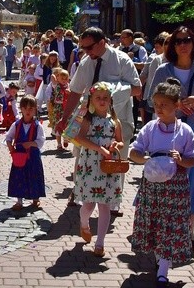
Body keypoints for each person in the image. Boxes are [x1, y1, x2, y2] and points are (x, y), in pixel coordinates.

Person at [56, 27, 141, 218]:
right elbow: (76, 91)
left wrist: (114, 92)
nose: (86, 52)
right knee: (82, 156)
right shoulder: (86, 62)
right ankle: (79, 194)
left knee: (116, 158)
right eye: (83, 48)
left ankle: (113, 203)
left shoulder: (122, 60)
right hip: (89, 120)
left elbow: (137, 89)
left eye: (89, 47)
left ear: (102, 42)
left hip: (117, 120)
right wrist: (64, 118)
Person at [147, 26, 194, 248]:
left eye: (187, 40)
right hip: (168, 129)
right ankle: (166, 228)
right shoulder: (163, 70)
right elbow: (151, 100)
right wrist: (175, 104)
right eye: (177, 41)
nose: (183, 44)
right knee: (168, 176)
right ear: (172, 45)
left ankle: (188, 231)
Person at [130, 78, 194, 288]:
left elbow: (193, 159)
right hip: (153, 185)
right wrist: (145, 158)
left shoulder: (185, 131)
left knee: (169, 225)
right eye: (156, 104)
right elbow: (135, 151)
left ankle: (163, 269)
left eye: (164, 105)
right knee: (155, 222)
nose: (158, 109)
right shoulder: (150, 128)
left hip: (175, 186)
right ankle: (160, 257)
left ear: (176, 105)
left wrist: (180, 160)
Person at [73, 82, 124, 258]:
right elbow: (80, 138)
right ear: (92, 100)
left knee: (105, 205)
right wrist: (98, 148)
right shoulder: (88, 118)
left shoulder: (115, 121)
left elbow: (121, 141)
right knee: (88, 203)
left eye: (105, 98)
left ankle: (100, 242)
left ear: (110, 100)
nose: (102, 101)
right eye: (98, 98)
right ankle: (84, 223)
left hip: (108, 166)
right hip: (90, 164)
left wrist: (116, 144)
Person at [5, 95, 45, 211]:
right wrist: (10, 146)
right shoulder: (16, 124)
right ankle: (19, 201)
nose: (28, 111)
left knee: (34, 176)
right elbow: (8, 137)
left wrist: (31, 143)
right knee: (19, 177)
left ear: (35, 110)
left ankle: (35, 198)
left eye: (31, 109)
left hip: (33, 157)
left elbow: (41, 141)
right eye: (25, 108)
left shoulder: (38, 126)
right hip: (20, 156)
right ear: (21, 109)